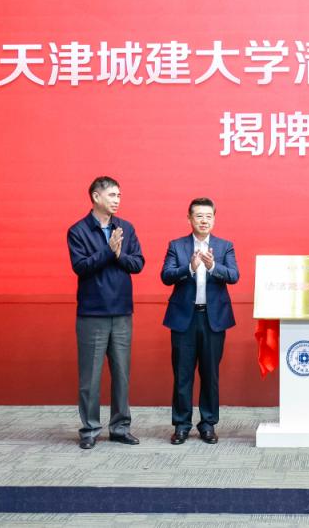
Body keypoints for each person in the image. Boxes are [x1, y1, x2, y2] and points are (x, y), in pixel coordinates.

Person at [67, 176, 145, 450]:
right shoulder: (78, 230)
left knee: (121, 374)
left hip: (122, 311)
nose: (117, 200)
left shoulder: (126, 228)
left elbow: (138, 263)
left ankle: (120, 427)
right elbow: (81, 266)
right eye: (112, 195)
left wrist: (119, 254)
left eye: (119, 195)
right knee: (90, 377)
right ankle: (89, 429)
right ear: (96, 197)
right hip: (92, 313)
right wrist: (108, 252)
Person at [161, 197, 239, 445]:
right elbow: (166, 276)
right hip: (185, 319)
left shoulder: (225, 246)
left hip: (213, 319)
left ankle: (208, 424)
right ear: (189, 219)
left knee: (210, 374)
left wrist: (213, 266)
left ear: (214, 219)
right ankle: (181, 425)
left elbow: (234, 275)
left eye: (208, 216)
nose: (204, 220)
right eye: (199, 216)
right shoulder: (177, 246)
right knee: (182, 374)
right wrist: (190, 268)